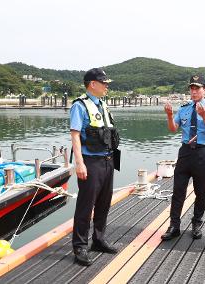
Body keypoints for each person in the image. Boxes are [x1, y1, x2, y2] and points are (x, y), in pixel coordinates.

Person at [161, 74, 205, 241]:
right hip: (185, 152)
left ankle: (196, 223)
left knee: (201, 191)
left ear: (204, 90)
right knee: (178, 190)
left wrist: (204, 116)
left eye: (197, 88)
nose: (194, 92)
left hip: (202, 152)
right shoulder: (184, 108)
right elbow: (173, 129)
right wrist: (169, 116)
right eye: (192, 89)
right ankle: (174, 226)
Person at [70, 68, 119, 266]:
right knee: (85, 205)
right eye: (103, 82)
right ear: (92, 84)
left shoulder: (103, 105)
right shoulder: (80, 106)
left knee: (104, 203)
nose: (107, 85)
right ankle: (80, 246)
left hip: (108, 160)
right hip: (90, 162)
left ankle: (98, 239)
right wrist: (79, 163)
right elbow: (75, 135)